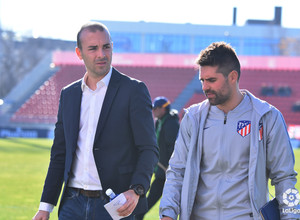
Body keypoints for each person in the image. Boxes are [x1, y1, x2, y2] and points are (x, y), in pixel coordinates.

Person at [32, 22, 159, 220]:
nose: (101, 54)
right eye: (93, 48)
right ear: (79, 52)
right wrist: (45, 206)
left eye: (106, 46)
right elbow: (59, 153)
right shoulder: (69, 94)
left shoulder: (133, 90)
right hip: (71, 204)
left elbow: (149, 148)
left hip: (114, 205)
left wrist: (137, 190)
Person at [159, 42, 299, 219]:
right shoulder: (193, 118)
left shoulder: (267, 117)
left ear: (233, 77)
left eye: (211, 80)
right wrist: (167, 214)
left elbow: (284, 178)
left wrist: (292, 217)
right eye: (202, 80)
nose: (204, 87)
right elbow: (177, 172)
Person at [135, 97, 179, 220]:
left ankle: (137, 216)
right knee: (152, 197)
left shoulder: (171, 124)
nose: (154, 111)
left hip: (167, 171)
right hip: (161, 170)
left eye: (156, 108)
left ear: (163, 108)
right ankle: (138, 216)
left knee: (157, 198)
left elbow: (173, 148)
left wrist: (169, 167)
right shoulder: (160, 121)